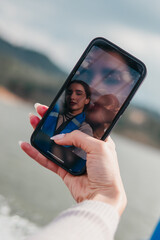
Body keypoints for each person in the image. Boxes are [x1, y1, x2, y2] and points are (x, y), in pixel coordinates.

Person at [19, 103, 127, 240]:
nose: (97, 108)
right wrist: (107, 197)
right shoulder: (74, 120)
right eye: (97, 105)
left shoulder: (90, 135)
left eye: (106, 109)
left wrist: (106, 196)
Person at [41, 80, 93, 159]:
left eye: (78, 94)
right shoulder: (53, 113)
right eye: (69, 92)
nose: (72, 97)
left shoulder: (86, 130)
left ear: (87, 100)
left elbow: (77, 159)